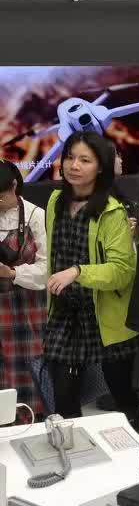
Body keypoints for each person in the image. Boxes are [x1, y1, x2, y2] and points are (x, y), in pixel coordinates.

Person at [41, 132, 139, 431]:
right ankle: (73, 453)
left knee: (123, 397)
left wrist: (78, 272)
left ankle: (136, 452)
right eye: (70, 157)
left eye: (85, 160)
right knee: (63, 401)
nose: (74, 165)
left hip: (105, 316)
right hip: (64, 313)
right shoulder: (56, 200)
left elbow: (122, 271)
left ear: (101, 167)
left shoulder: (112, 211)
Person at [0, 161, 48, 417]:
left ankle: (33, 420)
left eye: (1, 196)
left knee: (30, 370)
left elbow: (47, 269)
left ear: (14, 185)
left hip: (27, 308)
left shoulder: (35, 215)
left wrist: (12, 273)